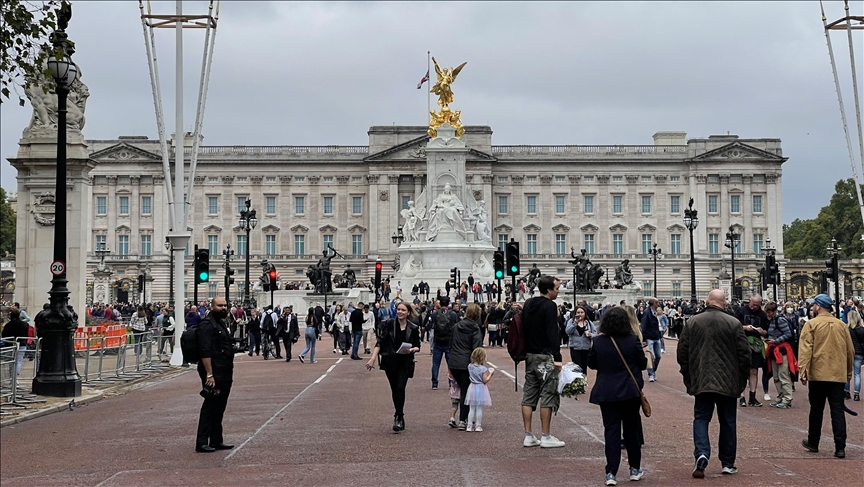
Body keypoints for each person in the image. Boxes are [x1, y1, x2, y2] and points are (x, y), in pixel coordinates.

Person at [677, 290, 750, 477]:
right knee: (728, 422)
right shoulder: (734, 323)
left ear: (707, 301)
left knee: (701, 418)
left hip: (701, 379)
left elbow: (682, 353)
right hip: (729, 380)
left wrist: (688, 374)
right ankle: (727, 462)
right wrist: (742, 380)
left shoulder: (692, 322)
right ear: (724, 303)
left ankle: (701, 453)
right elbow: (744, 355)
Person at [588, 307, 648, 485]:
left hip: (607, 391)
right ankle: (634, 469)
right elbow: (643, 364)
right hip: (629, 391)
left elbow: (591, 364)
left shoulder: (599, 342)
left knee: (611, 431)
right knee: (631, 430)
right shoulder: (632, 340)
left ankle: (611, 472)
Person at [799, 294, 854, 459]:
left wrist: (803, 370)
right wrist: (848, 372)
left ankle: (813, 442)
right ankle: (840, 447)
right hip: (837, 374)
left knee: (816, 410)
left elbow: (806, 349)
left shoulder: (811, 324)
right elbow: (850, 351)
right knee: (837, 410)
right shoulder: (841, 325)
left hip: (818, 373)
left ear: (817, 306)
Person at [521, 275, 566, 449]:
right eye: (556, 288)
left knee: (529, 395)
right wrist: (557, 358)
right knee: (548, 394)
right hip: (545, 356)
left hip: (530, 355)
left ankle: (528, 435)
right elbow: (552, 334)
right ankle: (546, 436)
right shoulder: (550, 306)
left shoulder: (529, 304)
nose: (558, 291)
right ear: (548, 289)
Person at [365, 301, 421, 432]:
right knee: (395, 389)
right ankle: (399, 415)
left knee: (401, 388)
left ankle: (398, 416)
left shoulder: (413, 327)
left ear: (408, 312)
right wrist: (373, 358)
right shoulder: (389, 324)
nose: (400, 312)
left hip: (405, 362)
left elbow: (417, 345)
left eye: (403, 310)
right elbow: (380, 341)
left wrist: (412, 350)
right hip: (390, 360)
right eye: (398, 309)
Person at [194, 297, 235, 453]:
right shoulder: (207, 325)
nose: (223, 308)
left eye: (225, 305)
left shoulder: (220, 323)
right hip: (214, 371)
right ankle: (202, 441)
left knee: (220, 406)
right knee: (210, 406)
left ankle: (216, 439)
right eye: (220, 305)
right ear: (212, 307)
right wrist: (209, 374)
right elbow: (205, 351)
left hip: (225, 369)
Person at [448, 303, 483, 430]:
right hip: (467, 363)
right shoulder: (475, 329)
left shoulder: (457, 326)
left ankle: (460, 417)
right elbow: (476, 348)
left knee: (459, 390)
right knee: (466, 392)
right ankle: (463, 419)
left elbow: (451, 344)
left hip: (454, 362)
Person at [735, 295, 769, 407]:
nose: (754, 307)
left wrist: (761, 331)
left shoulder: (762, 315)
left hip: (756, 344)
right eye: (753, 304)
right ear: (749, 301)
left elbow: (766, 332)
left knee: (754, 371)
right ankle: (742, 396)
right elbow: (735, 325)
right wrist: (744, 328)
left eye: (757, 305)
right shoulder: (741, 311)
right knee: (742, 370)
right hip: (742, 342)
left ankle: (752, 397)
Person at [764, 302, 796, 408]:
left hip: (781, 350)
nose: (768, 315)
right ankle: (781, 396)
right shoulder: (773, 320)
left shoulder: (780, 320)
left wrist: (775, 341)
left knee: (783, 375)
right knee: (776, 376)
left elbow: (788, 334)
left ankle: (787, 398)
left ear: (774, 312)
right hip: (775, 349)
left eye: (769, 312)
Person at [430, 296, 459, 390]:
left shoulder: (434, 314)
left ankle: (435, 383)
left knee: (435, 364)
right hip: (449, 341)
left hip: (438, 341)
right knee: (450, 364)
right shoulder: (453, 314)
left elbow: (431, 326)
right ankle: (451, 382)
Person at [464, 347, 494, 432]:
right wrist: (490, 374)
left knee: (472, 408)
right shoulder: (483, 369)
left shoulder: (470, 366)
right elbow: (485, 380)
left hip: (472, 387)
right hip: (480, 388)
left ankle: (469, 426)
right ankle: (478, 426)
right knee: (479, 408)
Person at [565, 306, 596, 374]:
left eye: (582, 312)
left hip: (586, 348)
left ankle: (583, 382)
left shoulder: (589, 323)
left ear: (585, 313)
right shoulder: (571, 321)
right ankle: (577, 382)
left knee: (584, 367)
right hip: (575, 348)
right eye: (578, 312)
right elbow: (568, 331)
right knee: (577, 367)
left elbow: (595, 334)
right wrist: (575, 323)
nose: (580, 314)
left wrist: (591, 335)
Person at [1, 310, 30, 375]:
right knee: (19, 361)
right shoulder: (25, 324)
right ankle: (15, 376)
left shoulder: (8, 325)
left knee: (11, 361)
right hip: (21, 344)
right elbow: (26, 334)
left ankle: (11, 376)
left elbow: (4, 335)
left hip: (10, 345)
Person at [639, 297, 661, 382]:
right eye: (657, 303)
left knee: (658, 356)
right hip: (649, 337)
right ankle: (651, 374)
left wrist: (660, 336)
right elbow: (643, 326)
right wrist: (643, 339)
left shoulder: (654, 312)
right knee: (651, 356)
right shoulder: (647, 313)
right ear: (654, 304)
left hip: (656, 337)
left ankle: (653, 370)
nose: (658, 304)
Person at [844, 308, 864, 401]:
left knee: (847, 372)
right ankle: (856, 393)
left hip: (848, 352)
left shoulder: (846, 329)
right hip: (859, 352)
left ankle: (846, 392)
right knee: (857, 373)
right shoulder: (861, 329)